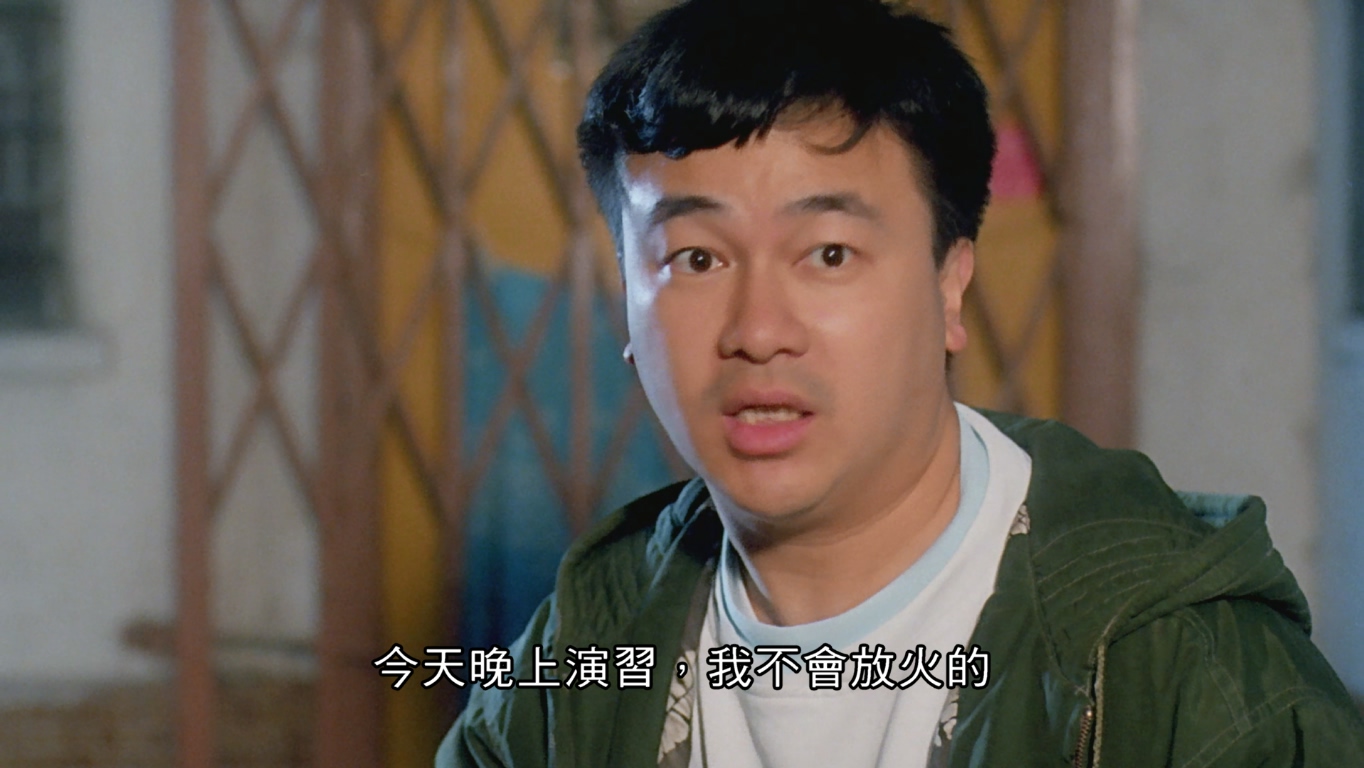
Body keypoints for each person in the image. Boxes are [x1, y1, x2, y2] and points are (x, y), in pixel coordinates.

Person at [437, 0, 1364, 765]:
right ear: (626, 309)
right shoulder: (581, 661)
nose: (758, 332)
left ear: (950, 284)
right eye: (696, 259)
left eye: (828, 253)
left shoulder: (1181, 674)